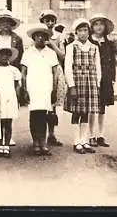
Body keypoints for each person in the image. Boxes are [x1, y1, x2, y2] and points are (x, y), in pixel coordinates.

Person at [21, 24, 66, 156]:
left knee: (45, 115)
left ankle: (43, 142)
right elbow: (24, 72)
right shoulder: (28, 52)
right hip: (33, 87)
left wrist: (54, 89)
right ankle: (35, 142)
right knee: (34, 115)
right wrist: (24, 88)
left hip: (46, 87)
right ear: (34, 38)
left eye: (43, 36)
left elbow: (55, 72)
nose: (40, 38)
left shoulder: (51, 53)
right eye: (37, 36)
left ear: (46, 38)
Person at [64, 18, 101, 154]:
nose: (83, 33)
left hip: (90, 82)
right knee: (76, 112)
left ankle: (84, 140)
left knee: (86, 112)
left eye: (85, 30)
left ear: (89, 31)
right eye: (80, 31)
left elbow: (98, 67)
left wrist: (97, 83)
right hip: (77, 83)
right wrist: (71, 86)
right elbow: (68, 68)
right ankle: (76, 142)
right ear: (76, 32)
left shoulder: (94, 47)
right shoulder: (71, 47)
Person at [0, 9, 24, 146]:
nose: (5, 25)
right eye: (2, 22)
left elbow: (20, 58)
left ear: (11, 24)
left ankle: (10, 136)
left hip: (11, 73)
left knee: (10, 105)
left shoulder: (17, 39)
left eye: (8, 22)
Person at [88, 13, 116, 148]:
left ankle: (100, 135)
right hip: (92, 77)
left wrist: (112, 79)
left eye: (101, 24)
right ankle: (91, 135)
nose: (99, 27)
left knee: (102, 107)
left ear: (105, 27)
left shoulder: (109, 44)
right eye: (96, 24)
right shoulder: (89, 42)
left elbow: (112, 64)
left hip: (105, 79)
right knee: (92, 107)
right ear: (92, 27)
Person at [38, 9, 65, 147]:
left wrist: (52, 43)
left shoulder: (58, 36)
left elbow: (62, 55)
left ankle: (52, 134)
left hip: (55, 72)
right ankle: (40, 136)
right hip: (42, 72)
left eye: (51, 20)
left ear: (55, 22)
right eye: (46, 20)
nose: (49, 23)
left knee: (53, 105)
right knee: (42, 104)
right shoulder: (38, 35)